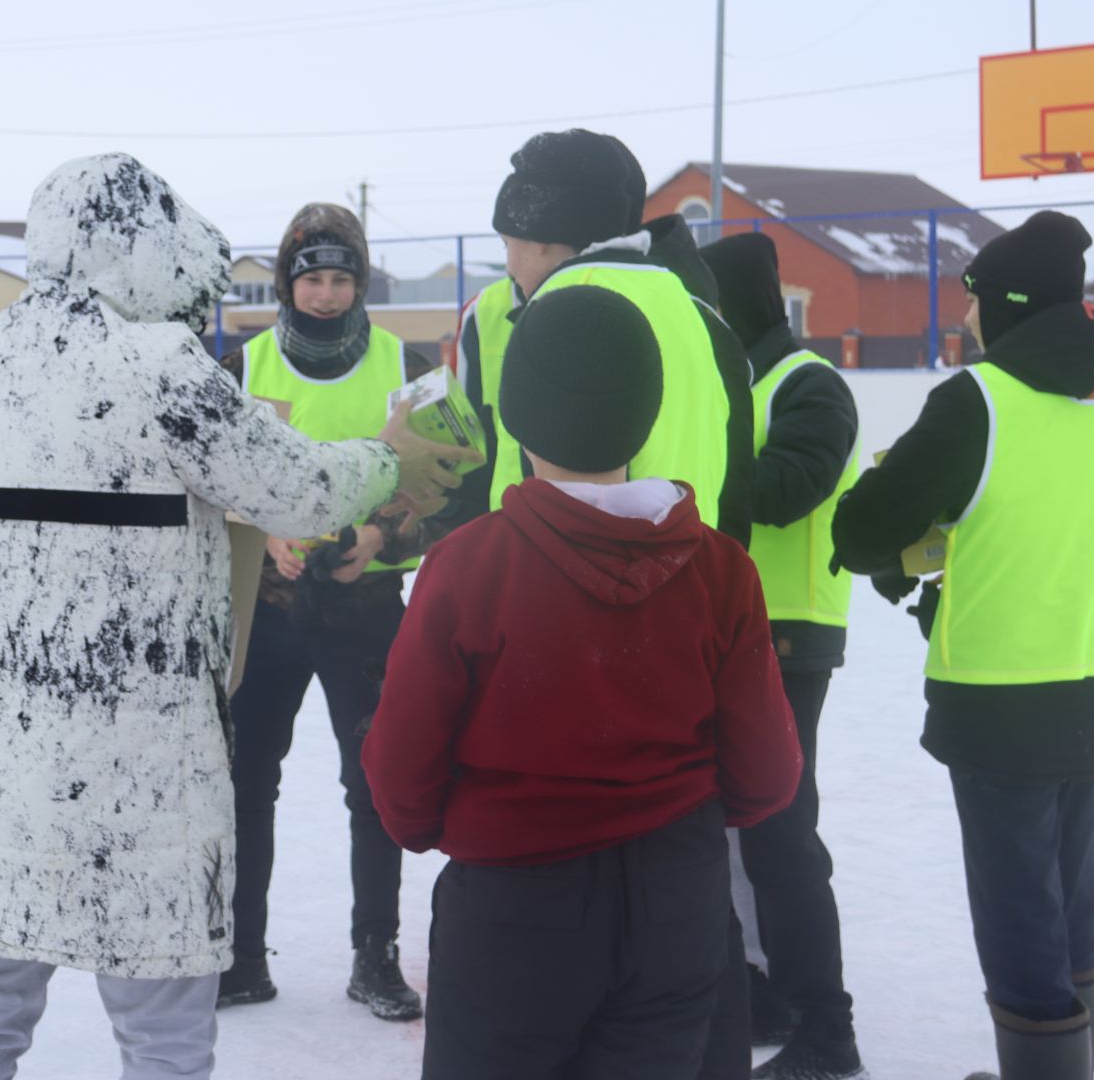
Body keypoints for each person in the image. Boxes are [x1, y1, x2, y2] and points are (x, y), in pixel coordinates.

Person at [0, 155, 476, 1080]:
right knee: (165, 1039)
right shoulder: (159, 367)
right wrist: (386, 461)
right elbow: (296, 490)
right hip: (139, 783)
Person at [364, 285, 802, 1080]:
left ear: (518, 414)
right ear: (647, 409)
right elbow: (767, 775)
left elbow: (400, 777)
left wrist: (478, 828)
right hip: (678, 902)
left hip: (513, 910)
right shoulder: (720, 569)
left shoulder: (468, 565)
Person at [831, 212, 1094, 1080]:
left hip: (999, 693)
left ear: (1005, 305)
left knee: (1018, 904)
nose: (968, 320)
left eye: (974, 301)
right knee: (1071, 894)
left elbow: (867, 531)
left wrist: (920, 534)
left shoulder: (978, 398)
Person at [216, 204, 444, 1021]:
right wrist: (266, 529)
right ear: (286, 281)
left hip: (367, 603)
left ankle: (375, 959)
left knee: (375, 785)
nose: (325, 293)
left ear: (361, 281)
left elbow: (443, 480)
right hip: (270, 606)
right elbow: (211, 481)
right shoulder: (242, 365)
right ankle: (242, 958)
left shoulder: (406, 363)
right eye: (311, 277)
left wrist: (381, 536)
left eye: (341, 277)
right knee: (246, 783)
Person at [701, 232, 865, 1080]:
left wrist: (685, 475)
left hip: (789, 636)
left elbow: (792, 486)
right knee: (734, 832)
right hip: (728, 631)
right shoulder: (740, 384)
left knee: (780, 835)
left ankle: (825, 1032)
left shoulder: (809, 386)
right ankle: (761, 987)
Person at [451, 129, 752, 546]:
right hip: (690, 576)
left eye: (508, 244)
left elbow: (550, 476)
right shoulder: (691, 305)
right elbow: (738, 467)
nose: (509, 266)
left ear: (540, 238)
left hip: (578, 587)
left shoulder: (566, 310)